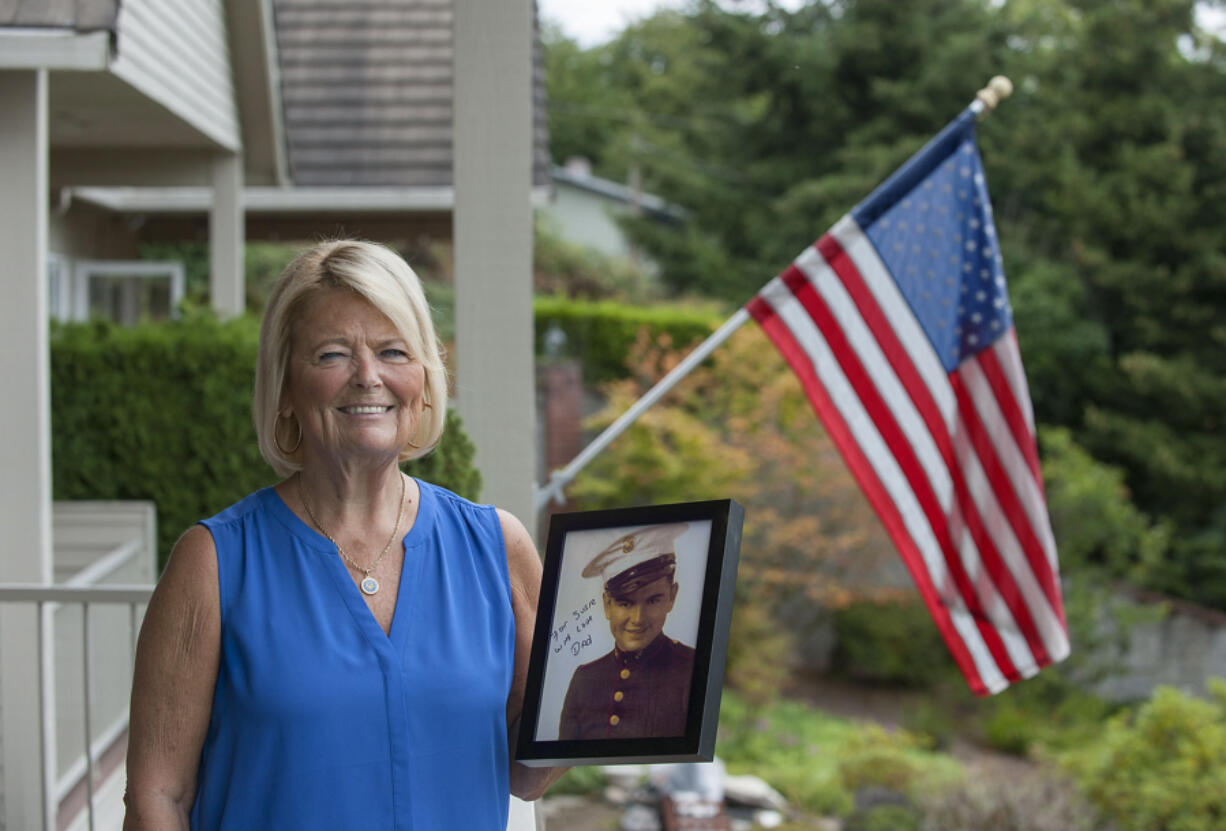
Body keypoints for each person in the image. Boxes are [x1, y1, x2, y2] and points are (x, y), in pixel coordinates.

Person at [123, 240, 563, 829]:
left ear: (426, 380)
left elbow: (527, 772)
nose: (368, 377)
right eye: (332, 355)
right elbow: (158, 798)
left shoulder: (498, 550)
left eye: (393, 351)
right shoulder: (215, 563)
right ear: (283, 388)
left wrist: (617, 702)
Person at [558, 523, 695, 741]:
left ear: (672, 597)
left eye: (652, 600)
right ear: (607, 605)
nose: (638, 619)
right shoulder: (585, 680)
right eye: (625, 603)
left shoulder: (693, 670)